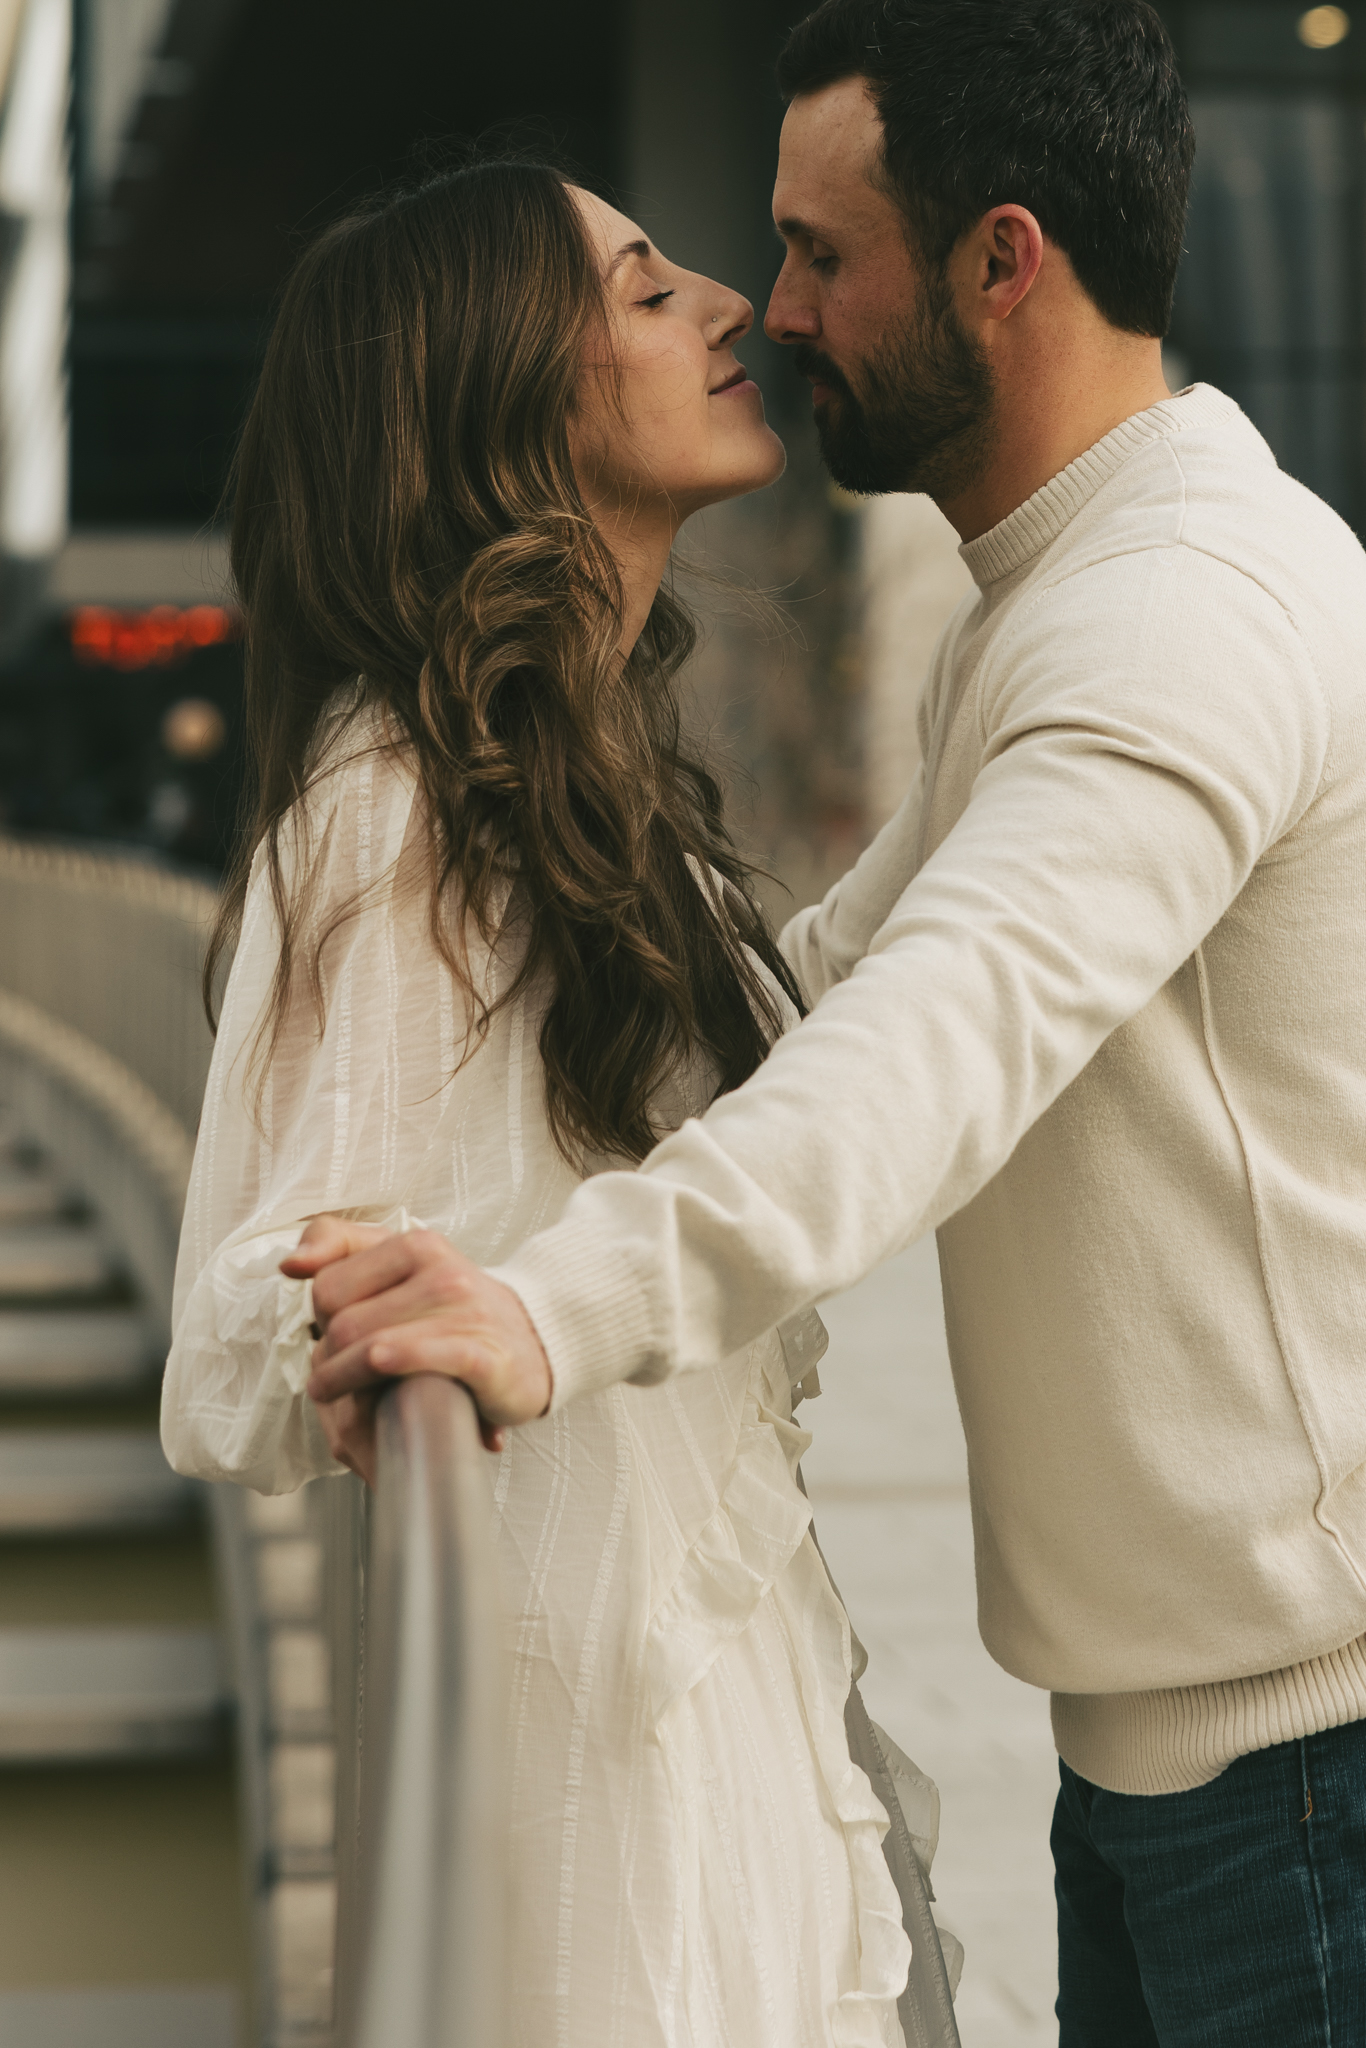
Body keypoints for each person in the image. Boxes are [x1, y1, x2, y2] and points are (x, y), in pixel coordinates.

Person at [297, 3, 1366, 2044]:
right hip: (1179, 1761)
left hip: (1300, 1778)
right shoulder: (1057, 603)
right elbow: (809, 990)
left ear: (1001, 258)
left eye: (817, 250)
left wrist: (543, 1311)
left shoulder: (1175, 617)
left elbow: (916, 1059)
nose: (769, 309)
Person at [160, 156, 965, 2047]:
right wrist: (365, 1311)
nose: (722, 306)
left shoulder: (572, 796)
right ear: (495, 394)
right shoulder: (394, 812)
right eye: (636, 284)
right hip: (594, 1758)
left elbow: (825, 1043)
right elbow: (230, 1341)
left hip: (703, 1688)